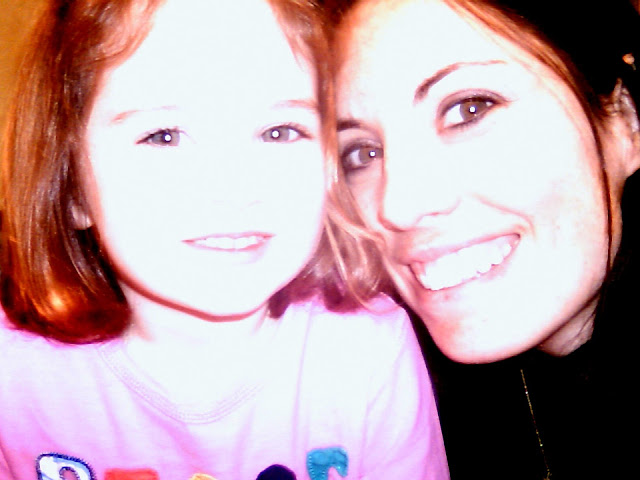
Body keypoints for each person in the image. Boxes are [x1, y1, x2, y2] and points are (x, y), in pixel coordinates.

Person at [0, 1, 450, 478]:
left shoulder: (367, 352)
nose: (234, 187)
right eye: (164, 136)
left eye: (279, 132)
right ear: (72, 188)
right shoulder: (15, 370)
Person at [332, 0, 640, 478]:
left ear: (625, 122)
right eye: (361, 153)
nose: (398, 206)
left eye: (468, 109)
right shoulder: (392, 390)